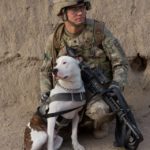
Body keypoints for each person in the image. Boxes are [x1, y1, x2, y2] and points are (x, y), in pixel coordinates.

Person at [40, 0, 128, 139]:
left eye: (82, 8)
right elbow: (45, 70)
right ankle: (76, 123)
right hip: (68, 91)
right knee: (50, 117)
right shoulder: (56, 39)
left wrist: (116, 85)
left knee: (101, 112)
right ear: (63, 13)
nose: (80, 12)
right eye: (74, 10)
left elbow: (120, 62)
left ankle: (96, 123)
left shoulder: (98, 31)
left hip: (95, 91)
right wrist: (46, 93)